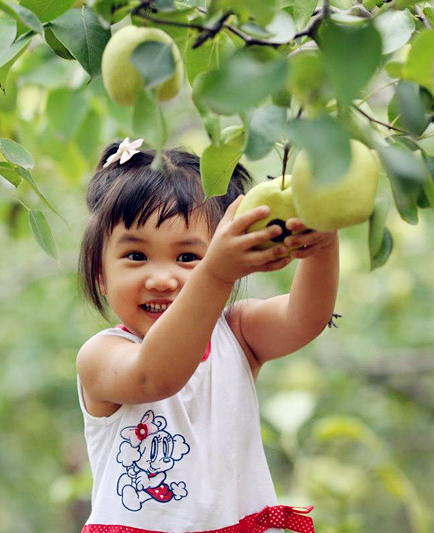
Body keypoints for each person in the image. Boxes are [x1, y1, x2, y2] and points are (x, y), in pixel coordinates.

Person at [76, 138, 339, 533]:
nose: (162, 278)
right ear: (101, 273)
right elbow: (158, 376)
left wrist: (321, 242)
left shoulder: (237, 334)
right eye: (135, 256)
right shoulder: (103, 356)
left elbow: (307, 318)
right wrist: (212, 273)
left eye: (188, 258)